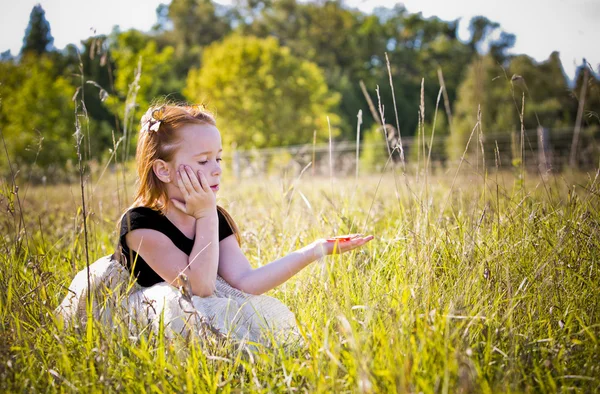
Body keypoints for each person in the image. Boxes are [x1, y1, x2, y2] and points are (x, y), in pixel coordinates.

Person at [59, 102, 374, 347]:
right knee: (174, 302)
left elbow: (245, 281)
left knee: (242, 310)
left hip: (184, 306)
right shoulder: (140, 222)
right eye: (202, 161)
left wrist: (313, 250)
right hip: (128, 308)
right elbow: (199, 286)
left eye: (218, 159)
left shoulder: (215, 216)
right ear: (163, 170)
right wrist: (205, 215)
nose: (216, 170)